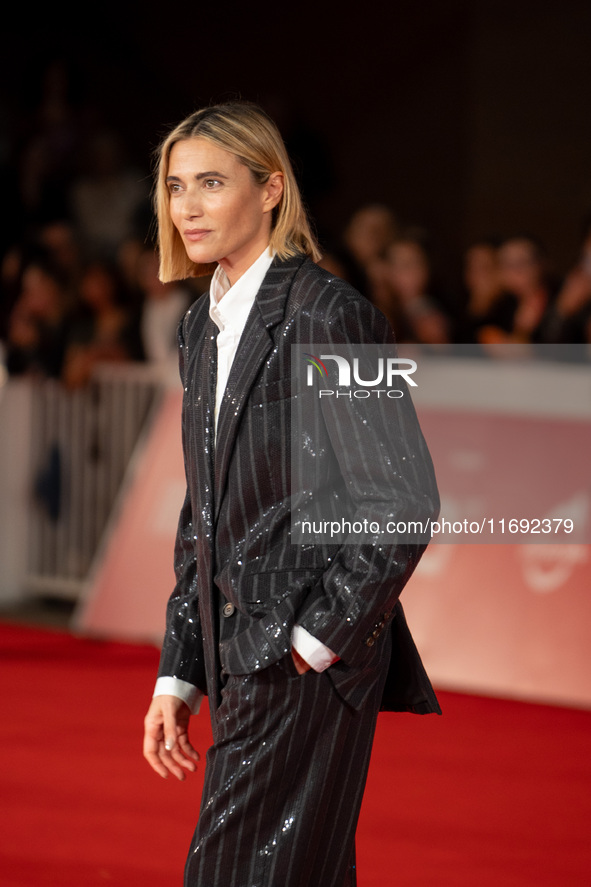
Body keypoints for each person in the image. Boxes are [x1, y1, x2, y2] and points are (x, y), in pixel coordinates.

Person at [142, 101, 440, 887]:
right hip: (238, 649)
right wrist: (180, 671)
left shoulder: (330, 316)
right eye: (176, 186)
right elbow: (203, 509)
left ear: (270, 189)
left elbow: (400, 500)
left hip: (298, 657)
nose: (188, 206)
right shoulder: (199, 326)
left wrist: (313, 639)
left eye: (211, 182)